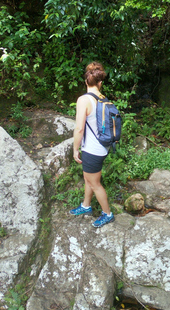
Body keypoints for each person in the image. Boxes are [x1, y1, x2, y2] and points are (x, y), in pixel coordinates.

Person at [69, 62, 115, 227]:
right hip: (102, 147)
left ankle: (107, 213)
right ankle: (86, 206)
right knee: (88, 178)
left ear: (86, 81)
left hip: (93, 149)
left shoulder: (84, 100)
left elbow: (80, 128)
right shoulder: (102, 99)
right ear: (100, 82)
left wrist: (75, 149)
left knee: (94, 183)